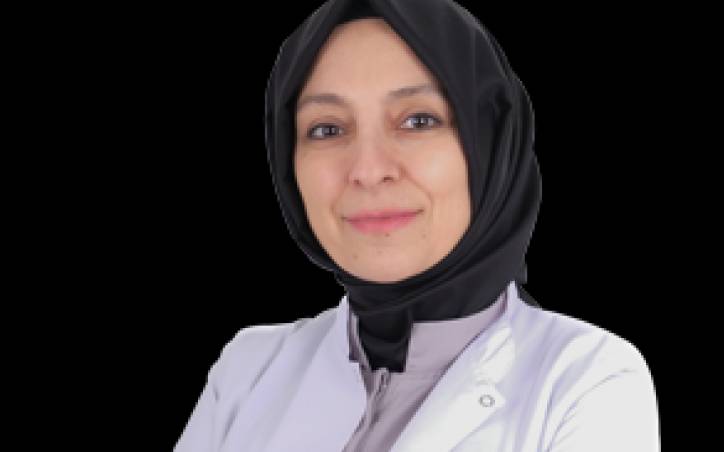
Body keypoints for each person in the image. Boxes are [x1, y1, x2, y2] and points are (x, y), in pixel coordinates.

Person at [175, 0, 660, 451]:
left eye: (418, 121)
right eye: (327, 129)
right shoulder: (248, 371)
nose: (368, 170)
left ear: (490, 148)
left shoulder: (588, 379)